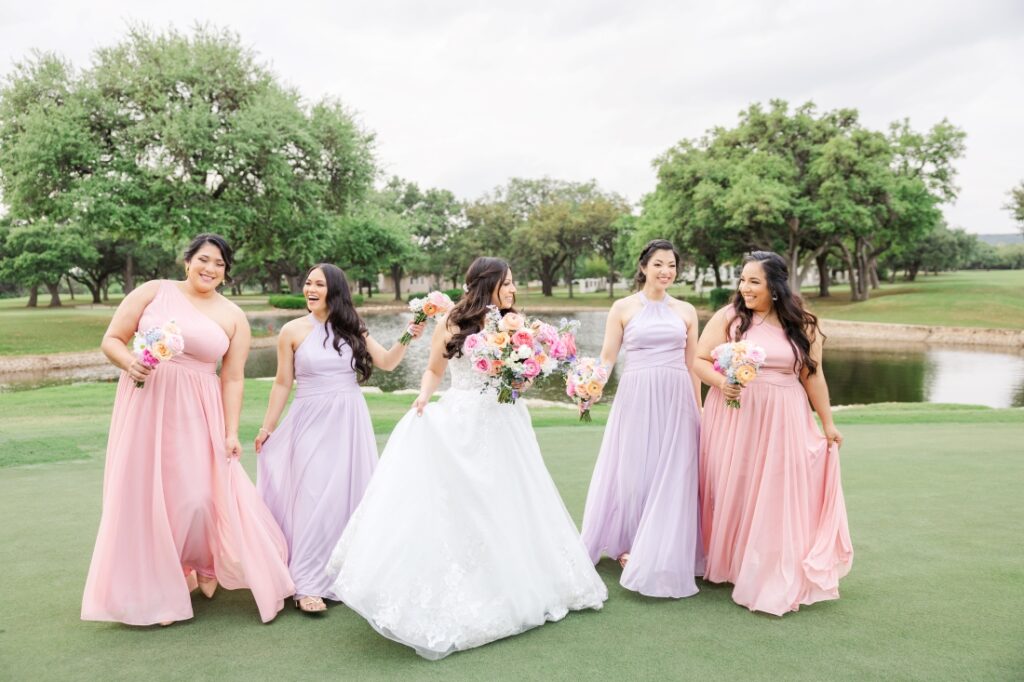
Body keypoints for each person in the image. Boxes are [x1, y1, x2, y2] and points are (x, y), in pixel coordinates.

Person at [325, 257, 607, 659]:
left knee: (512, 500)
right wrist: (424, 394)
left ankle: (519, 580)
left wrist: (529, 376)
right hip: (462, 418)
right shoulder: (452, 322)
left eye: (513, 283)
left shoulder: (518, 325)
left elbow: (531, 371)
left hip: (506, 421)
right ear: (488, 283)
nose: (513, 289)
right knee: (463, 505)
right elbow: (435, 371)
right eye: (507, 282)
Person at [82, 233, 293, 626]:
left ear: (226, 273)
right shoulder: (153, 292)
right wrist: (129, 362)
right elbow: (111, 339)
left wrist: (231, 431)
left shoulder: (232, 315)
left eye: (219, 264)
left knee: (197, 497)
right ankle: (165, 582)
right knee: (147, 494)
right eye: (204, 260)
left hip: (199, 410)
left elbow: (232, 379)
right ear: (187, 262)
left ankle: (204, 563)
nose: (210, 269)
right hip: (146, 403)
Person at [255, 263, 424, 613]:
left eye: (319, 284)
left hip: (349, 420)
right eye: (307, 283)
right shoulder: (291, 330)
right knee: (313, 498)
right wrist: (267, 427)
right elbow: (283, 383)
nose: (310, 289)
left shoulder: (353, 328)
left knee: (350, 497)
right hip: (309, 420)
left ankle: (346, 575)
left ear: (335, 290)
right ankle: (306, 584)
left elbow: (389, 362)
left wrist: (409, 335)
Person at [695, 250, 853, 616]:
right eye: (742, 280)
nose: (744, 288)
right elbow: (699, 359)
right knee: (737, 484)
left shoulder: (804, 323)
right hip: (735, 413)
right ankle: (732, 564)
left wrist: (827, 424)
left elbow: (813, 375)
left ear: (776, 288)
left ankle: (768, 569)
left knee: (777, 490)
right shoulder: (731, 318)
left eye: (754, 281)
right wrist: (723, 382)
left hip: (785, 415)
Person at [580, 239, 704, 598]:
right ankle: (630, 544)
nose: (666, 271)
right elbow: (607, 357)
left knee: (674, 471)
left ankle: (665, 546)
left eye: (672, 266)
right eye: (659, 264)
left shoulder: (686, 311)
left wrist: (698, 407)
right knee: (634, 472)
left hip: (676, 395)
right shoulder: (622, 307)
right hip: (636, 395)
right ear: (644, 267)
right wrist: (590, 390)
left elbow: (692, 364)